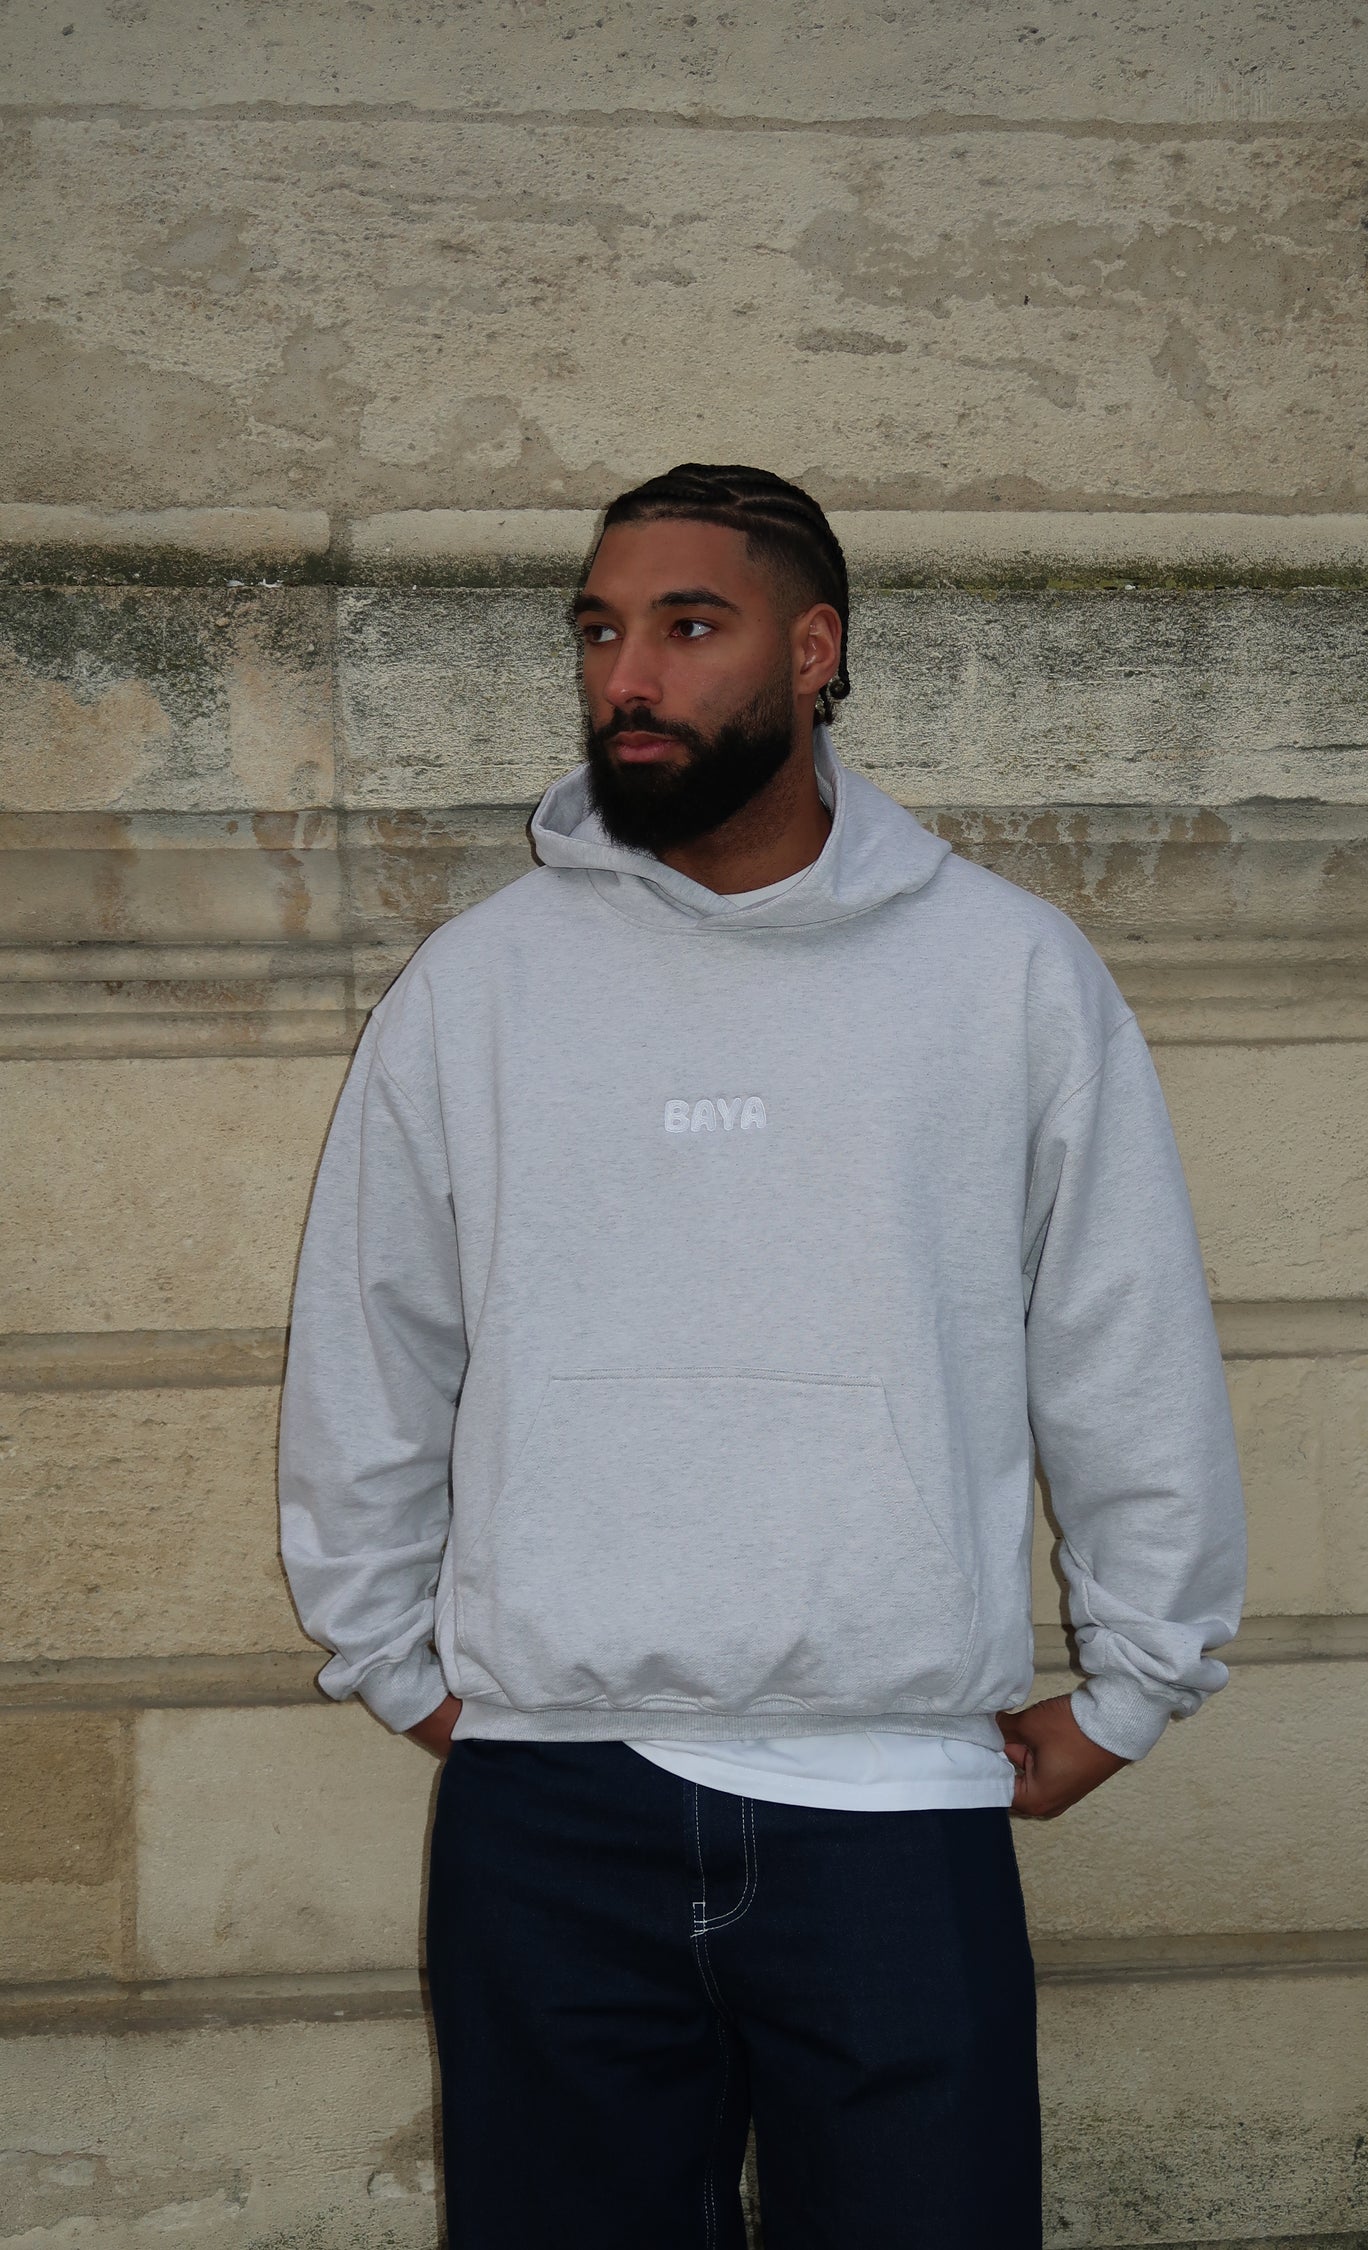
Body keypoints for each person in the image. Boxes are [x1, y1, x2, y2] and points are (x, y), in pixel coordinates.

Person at [279, 463, 1247, 2248]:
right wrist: (389, 1653)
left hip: (893, 1804)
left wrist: (1137, 1679)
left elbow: (1121, 1335)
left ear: (814, 652)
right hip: (551, 1809)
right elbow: (375, 1336)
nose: (626, 675)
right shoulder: (478, 986)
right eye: (599, 630)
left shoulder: (1008, 975)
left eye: (687, 625)